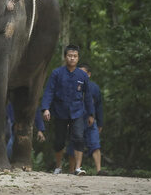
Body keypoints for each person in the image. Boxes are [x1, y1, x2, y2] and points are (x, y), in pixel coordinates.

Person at [41, 45, 94, 176]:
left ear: (78, 58)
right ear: (65, 57)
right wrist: (45, 108)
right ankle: (58, 166)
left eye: (75, 56)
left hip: (77, 112)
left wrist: (91, 114)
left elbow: (87, 96)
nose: (72, 58)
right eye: (70, 56)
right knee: (59, 140)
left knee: (79, 138)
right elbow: (49, 91)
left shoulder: (82, 75)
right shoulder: (56, 73)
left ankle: (78, 168)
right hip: (60, 111)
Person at [67, 63, 107, 176]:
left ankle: (99, 170)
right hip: (75, 118)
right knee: (73, 144)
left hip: (90, 120)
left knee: (95, 144)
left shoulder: (94, 88)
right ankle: (72, 169)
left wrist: (100, 122)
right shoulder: (73, 86)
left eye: (84, 72)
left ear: (89, 74)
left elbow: (98, 106)